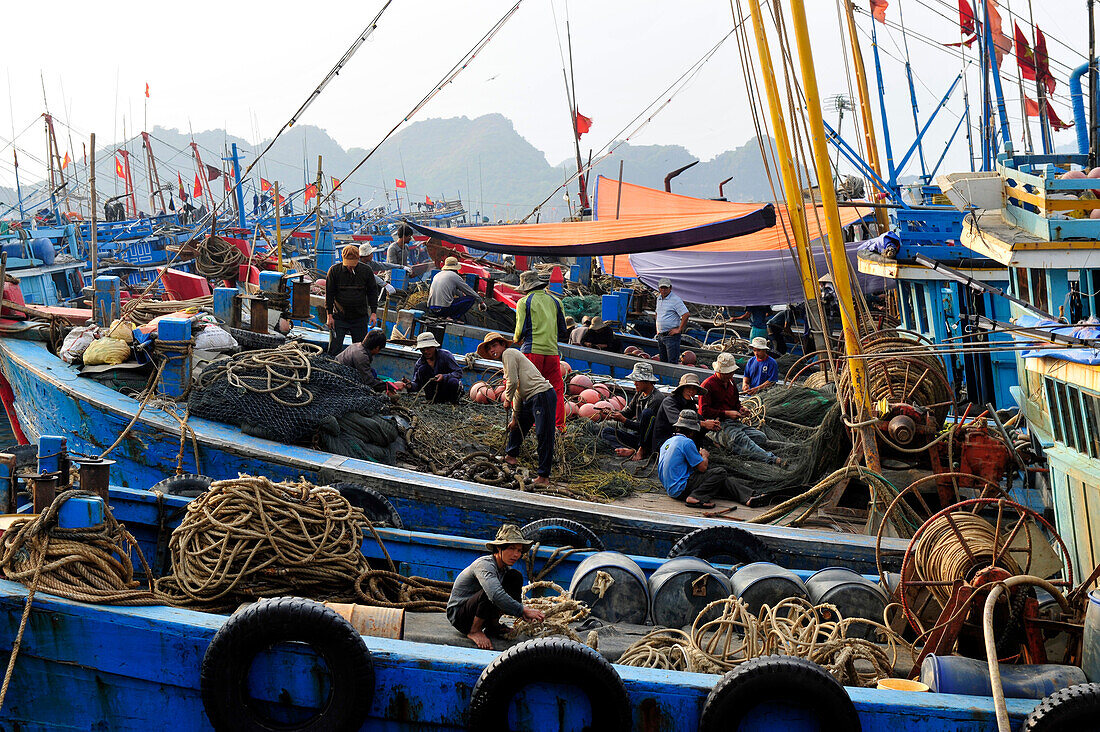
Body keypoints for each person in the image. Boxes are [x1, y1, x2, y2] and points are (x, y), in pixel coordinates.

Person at [447, 524, 546, 649]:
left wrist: (522, 613)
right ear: (499, 549)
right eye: (511, 548)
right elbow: (495, 595)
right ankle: (475, 630)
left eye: (519, 551)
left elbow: (507, 597)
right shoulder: (485, 565)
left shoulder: (504, 570)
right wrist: (523, 610)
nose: (516, 554)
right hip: (460, 617)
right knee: (492, 592)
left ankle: (493, 626)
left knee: (515, 576)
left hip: (477, 611)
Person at [478, 332, 555, 486]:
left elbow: (512, 382)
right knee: (517, 426)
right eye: (489, 348)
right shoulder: (508, 359)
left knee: (543, 435)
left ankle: (544, 477)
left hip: (542, 395)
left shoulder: (509, 353)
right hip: (530, 397)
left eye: (494, 346)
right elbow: (517, 390)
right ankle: (511, 456)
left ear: (502, 345)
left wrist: (506, 399)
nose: (492, 350)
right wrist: (514, 417)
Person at [700, 351, 780, 465]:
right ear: (719, 371)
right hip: (715, 426)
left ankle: (731, 446)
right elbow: (704, 411)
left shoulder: (731, 382)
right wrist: (727, 414)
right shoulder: (708, 385)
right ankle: (771, 459)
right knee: (739, 439)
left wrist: (741, 409)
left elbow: (735, 403)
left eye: (732, 372)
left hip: (733, 423)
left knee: (760, 437)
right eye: (728, 373)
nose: (731, 375)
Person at [513, 270, 568, 431]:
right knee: (556, 389)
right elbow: (563, 330)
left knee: (528, 389)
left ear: (525, 287)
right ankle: (559, 426)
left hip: (531, 352)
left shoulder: (524, 302)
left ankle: (528, 424)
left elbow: (520, 331)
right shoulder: (557, 301)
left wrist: (516, 340)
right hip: (552, 353)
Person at [657, 410, 734, 509]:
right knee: (720, 472)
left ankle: (748, 497)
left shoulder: (668, 442)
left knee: (722, 480)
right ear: (691, 431)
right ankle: (696, 497)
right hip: (680, 489)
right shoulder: (687, 442)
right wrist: (705, 455)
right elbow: (702, 468)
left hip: (670, 489)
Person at [325, 245, 380, 357]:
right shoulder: (334, 271)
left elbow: (372, 292)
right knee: (334, 349)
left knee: (361, 351)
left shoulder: (366, 271)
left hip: (359, 317)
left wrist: (374, 313)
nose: (350, 267)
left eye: (353, 264)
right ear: (342, 258)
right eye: (348, 264)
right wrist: (329, 315)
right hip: (339, 317)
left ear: (358, 258)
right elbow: (329, 295)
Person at [605, 362, 666, 461]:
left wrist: (624, 420)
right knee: (607, 432)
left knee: (647, 413)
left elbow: (643, 427)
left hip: (650, 440)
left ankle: (642, 450)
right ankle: (632, 450)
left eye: (637, 380)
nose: (634, 383)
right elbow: (628, 412)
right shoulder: (639, 394)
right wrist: (614, 413)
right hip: (638, 437)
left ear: (647, 381)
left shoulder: (656, 399)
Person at [652, 373, 720, 451]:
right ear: (682, 389)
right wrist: (704, 424)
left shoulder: (691, 404)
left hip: (680, 441)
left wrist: (711, 425)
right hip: (665, 443)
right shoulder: (669, 402)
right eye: (688, 387)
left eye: (694, 388)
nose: (691, 391)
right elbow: (680, 422)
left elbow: (696, 421)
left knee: (700, 421)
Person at [405, 332, 464, 403]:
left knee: (453, 382)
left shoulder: (445, 356)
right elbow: (417, 385)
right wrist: (409, 385)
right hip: (433, 395)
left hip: (448, 389)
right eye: (422, 349)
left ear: (434, 346)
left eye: (428, 348)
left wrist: (444, 376)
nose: (425, 351)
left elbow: (458, 372)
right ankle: (432, 400)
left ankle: (452, 401)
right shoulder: (420, 364)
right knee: (423, 369)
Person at [427, 257, 484, 321]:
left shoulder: (437, 274)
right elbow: (469, 291)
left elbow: (455, 291)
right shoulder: (454, 276)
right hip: (444, 309)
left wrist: (461, 295)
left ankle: (443, 316)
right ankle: (453, 317)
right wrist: (481, 302)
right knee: (471, 298)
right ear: (456, 268)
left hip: (432, 309)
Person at [655, 277, 690, 364]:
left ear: (670, 288)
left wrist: (679, 329)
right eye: (662, 288)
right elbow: (657, 313)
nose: (663, 290)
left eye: (666, 288)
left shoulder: (675, 300)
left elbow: (686, 314)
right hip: (661, 335)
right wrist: (657, 329)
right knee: (662, 362)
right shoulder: (658, 299)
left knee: (672, 362)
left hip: (671, 336)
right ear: (659, 288)